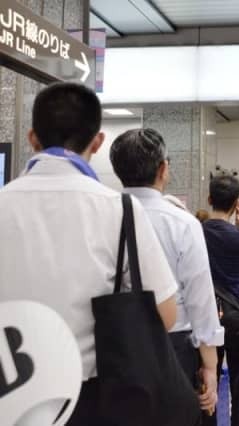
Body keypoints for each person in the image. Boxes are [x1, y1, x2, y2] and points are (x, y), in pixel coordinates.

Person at [0, 82, 178, 423]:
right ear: (97, 141)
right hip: (90, 396)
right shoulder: (119, 209)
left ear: (32, 138)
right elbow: (165, 314)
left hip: (8, 391)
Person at [110, 128, 223, 416]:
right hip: (174, 348)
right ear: (163, 169)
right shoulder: (182, 223)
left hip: (115, 346)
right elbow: (201, 300)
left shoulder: (101, 216)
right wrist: (209, 365)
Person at [202, 175, 239, 425]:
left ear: (209, 199)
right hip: (237, 314)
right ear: (236, 203)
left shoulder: (196, 232)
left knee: (208, 377)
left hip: (207, 315)